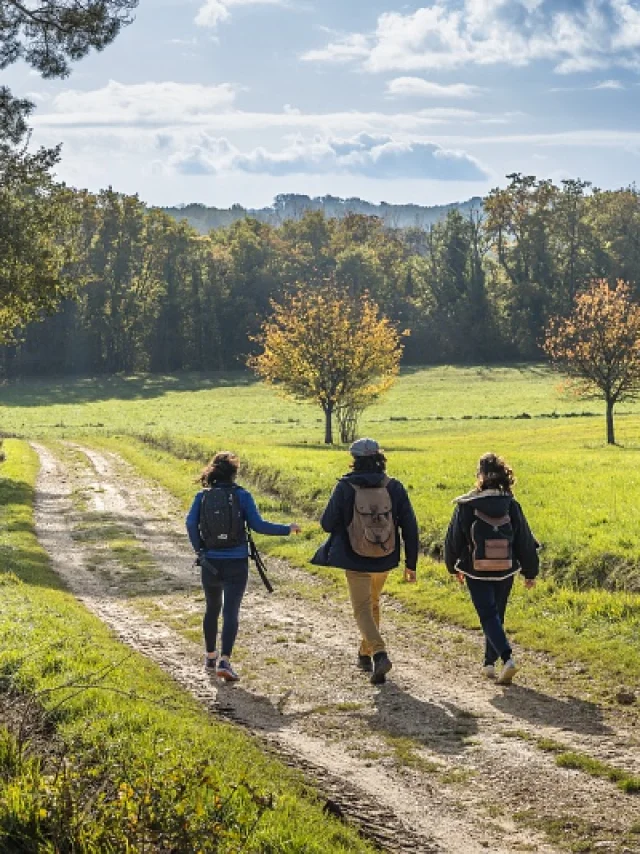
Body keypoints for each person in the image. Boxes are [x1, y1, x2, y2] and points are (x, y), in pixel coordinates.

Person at [312, 438, 419, 685]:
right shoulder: (394, 487)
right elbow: (410, 526)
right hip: (385, 556)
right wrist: (410, 563)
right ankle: (365, 652)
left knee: (362, 608)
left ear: (355, 460)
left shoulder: (345, 487)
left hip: (355, 557)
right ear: (380, 458)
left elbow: (327, 523)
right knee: (372, 604)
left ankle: (379, 653)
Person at [186, 451, 301, 682]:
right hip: (237, 562)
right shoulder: (242, 496)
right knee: (231, 611)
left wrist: (200, 551)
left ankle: (210, 655)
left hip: (210, 562)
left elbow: (190, 523)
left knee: (212, 607)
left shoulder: (202, 497)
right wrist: (287, 528)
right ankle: (225, 661)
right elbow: (258, 525)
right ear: (234, 474)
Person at [444, 452, 539, 685]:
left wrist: (452, 565)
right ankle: (488, 663)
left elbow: (453, 539)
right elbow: (525, 540)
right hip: (506, 569)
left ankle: (506, 659)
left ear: (481, 476)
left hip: (475, 570)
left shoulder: (466, 505)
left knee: (487, 615)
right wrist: (530, 571)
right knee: (497, 614)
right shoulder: (511, 505)